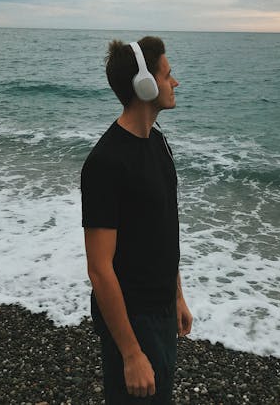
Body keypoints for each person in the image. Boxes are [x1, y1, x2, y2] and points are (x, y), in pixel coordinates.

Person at [81, 36, 192, 404]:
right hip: (132, 320)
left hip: (161, 312)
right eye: (167, 74)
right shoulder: (105, 163)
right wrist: (130, 353)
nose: (175, 82)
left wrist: (176, 296)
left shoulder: (158, 144)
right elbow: (99, 269)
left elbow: (163, 232)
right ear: (144, 84)